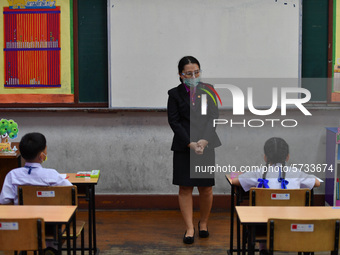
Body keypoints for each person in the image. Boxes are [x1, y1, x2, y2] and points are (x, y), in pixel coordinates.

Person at [232, 137, 320, 255]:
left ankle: (264, 248)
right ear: (287, 156)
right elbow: (317, 183)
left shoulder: (259, 172)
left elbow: (235, 181)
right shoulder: (296, 172)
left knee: (264, 216)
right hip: (293, 223)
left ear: (265, 157)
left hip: (263, 226)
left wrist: (240, 174)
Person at [167, 56, 221, 244]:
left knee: (205, 187)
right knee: (185, 187)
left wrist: (204, 141)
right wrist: (190, 143)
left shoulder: (208, 90)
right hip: (184, 146)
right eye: (189, 73)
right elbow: (174, 122)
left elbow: (213, 117)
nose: (193, 76)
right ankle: (189, 227)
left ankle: (203, 223)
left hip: (206, 144)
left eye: (196, 72)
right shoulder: (174, 94)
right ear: (181, 75)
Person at [0, 132, 72, 205]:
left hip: (21, 215)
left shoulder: (12, 175)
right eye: (45, 150)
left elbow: (4, 201)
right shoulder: (52, 174)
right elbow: (71, 191)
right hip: (48, 215)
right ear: (41, 155)